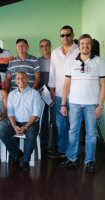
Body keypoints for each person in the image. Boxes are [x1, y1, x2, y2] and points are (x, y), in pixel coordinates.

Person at [59, 34, 105, 172]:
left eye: (88, 44)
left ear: (91, 45)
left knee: (91, 134)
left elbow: (103, 85)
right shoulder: (72, 63)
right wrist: (63, 104)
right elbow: (66, 84)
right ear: (78, 46)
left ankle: (90, 160)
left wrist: (100, 105)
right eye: (82, 43)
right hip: (74, 104)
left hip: (92, 105)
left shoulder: (99, 62)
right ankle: (71, 158)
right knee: (73, 132)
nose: (85, 46)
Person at [0, 72, 43, 171]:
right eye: (18, 78)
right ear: (15, 81)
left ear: (27, 79)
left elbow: (35, 114)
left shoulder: (34, 93)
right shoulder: (11, 94)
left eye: (23, 78)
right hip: (16, 122)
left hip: (31, 123)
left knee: (31, 136)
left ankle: (26, 160)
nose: (20, 80)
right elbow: (10, 113)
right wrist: (14, 126)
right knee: (3, 133)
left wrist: (26, 127)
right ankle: (16, 153)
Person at [48, 26, 80, 158]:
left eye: (67, 35)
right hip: (60, 94)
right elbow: (52, 72)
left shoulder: (79, 50)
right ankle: (62, 150)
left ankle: (74, 151)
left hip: (75, 95)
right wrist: (51, 90)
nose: (65, 37)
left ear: (72, 35)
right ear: (60, 36)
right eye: (62, 35)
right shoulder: (55, 52)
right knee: (60, 123)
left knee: (74, 124)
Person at [37, 39, 58, 151]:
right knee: (43, 120)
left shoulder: (55, 60)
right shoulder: (38, 61)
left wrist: (54, 91)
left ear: (50, 46)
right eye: (42, 46)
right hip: (42, 95)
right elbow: (37, 77)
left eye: (46, 46)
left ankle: (55, 143)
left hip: (54, 94)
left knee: (54, 121)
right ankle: (44, 142)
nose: (44, 48)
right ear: (40, 48)